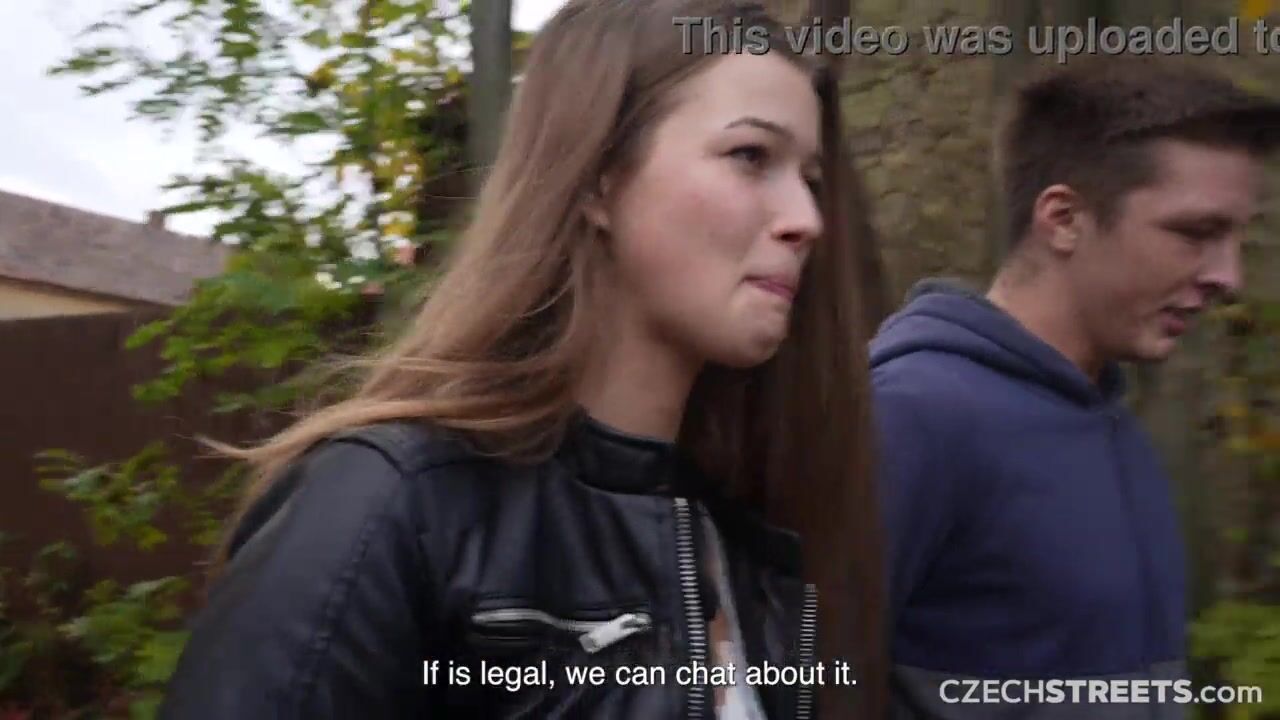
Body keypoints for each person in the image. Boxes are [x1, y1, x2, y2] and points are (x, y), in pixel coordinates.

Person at [157, 1, 887, 718]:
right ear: (599, 174)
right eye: (750, 157)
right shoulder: (388, 509)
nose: (807, 220)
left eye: (811, 179)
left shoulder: (761, 541)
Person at [871, 57, 1280, 719]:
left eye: (1236, 238)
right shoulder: (913, 417)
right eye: (1194, 233)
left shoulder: (1114, 423)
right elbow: (797, 679)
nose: (1227, 276)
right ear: (1063, 219)